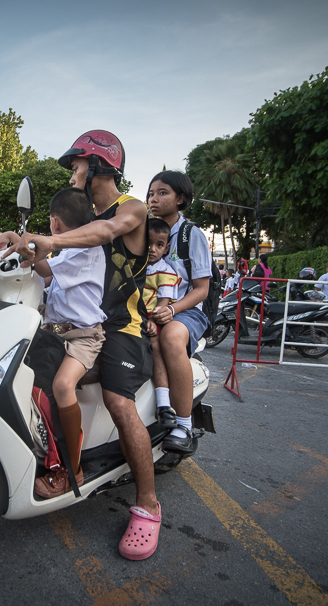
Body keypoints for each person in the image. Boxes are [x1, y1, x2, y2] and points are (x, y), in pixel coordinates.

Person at [0, 130, 162, 561]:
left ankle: (148, 505)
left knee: (119, 403)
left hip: (122, 326)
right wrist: (15, 238)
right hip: (70, 324)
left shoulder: (130, 209)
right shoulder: (78, 215)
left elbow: (105, 231)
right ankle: (48, 460)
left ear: (99, 165)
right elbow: (49, 256)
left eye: (77, 165)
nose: (72, 172)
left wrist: (51, 241)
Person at [31, 187, 107, 498]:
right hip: (54, 333)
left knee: (62, 386)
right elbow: (46, 279)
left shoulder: (85, 252)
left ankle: (72, 470)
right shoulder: (70, 251)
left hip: (84, 338)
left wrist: (21, 241)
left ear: (55, 223)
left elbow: (44, 268)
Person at [146, 171, 211, 458]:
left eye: (163, 193)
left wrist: (171, 309)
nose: (154, 199)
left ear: (180, 199)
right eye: (151, 193)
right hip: (148, 307)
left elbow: (201, 289)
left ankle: (183, 426)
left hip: (186, 311)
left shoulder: (191, 235)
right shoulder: (144, 230)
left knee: (171, 338)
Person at [143, 218, 182, 427]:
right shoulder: (134, 267)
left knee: (156, 345)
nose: (152, 249)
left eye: (159, 245)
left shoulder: (166, 272)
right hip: (131, 317)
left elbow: (162, 305)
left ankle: (163, 404)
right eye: (149, 243)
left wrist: (150, 321)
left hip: (152, 319)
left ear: (166, 248)